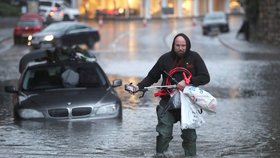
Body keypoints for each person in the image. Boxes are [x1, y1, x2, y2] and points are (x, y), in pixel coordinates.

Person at [127, 33, 210, 156]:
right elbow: (152, 76)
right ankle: (160, 155)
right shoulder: (164, 59)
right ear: (173, 45)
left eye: (183, 45)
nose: (180, 48)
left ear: (187, 46)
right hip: (167, 104)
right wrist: (138, 87)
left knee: (189, 137)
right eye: (178, 45)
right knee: (163, 134)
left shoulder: (195, 57)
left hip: (188, 105)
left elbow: (205, 77)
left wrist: (188, 82)